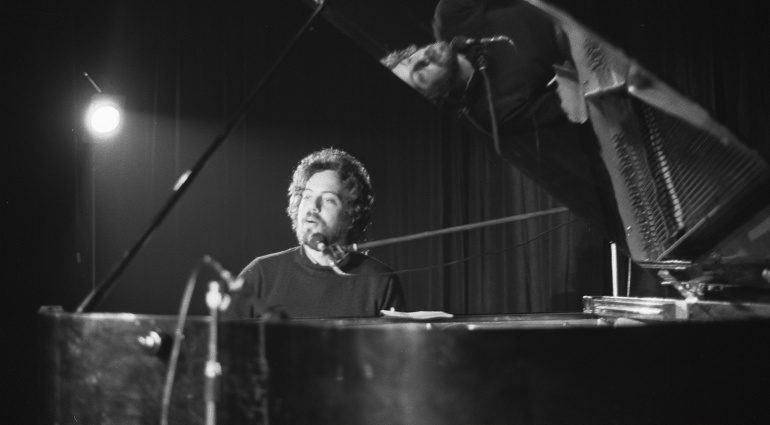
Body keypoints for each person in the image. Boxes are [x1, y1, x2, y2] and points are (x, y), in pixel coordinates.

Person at [382, 0, 623, 248]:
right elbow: (577, 105)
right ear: (436, 98)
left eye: (409, 59)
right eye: (420, 74)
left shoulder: (451, 15)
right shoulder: (494, 115)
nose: (422, 57)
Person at [223, 148, 404, 319]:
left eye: (328, 199)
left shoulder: (380, 281)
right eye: (308, 196)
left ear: (352, 215)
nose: (313, 207)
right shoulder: (260, 274)